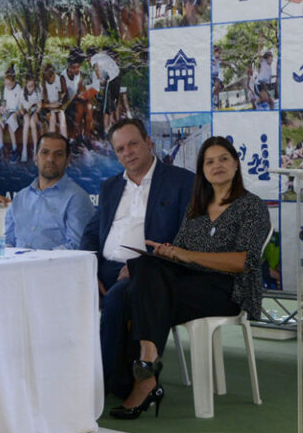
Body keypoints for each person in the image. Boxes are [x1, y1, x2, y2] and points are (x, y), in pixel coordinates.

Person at [109, 136, 270, 418]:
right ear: (202, 170)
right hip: (188, 287)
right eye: (209, 162)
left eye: (223, 159)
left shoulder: (251, 207)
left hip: (227, 291)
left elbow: (243, 261)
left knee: (140, 292)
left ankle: (142, 378)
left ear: (236, 164)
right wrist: (169, 253)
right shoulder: (196, 208)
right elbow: (180, 255)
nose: (216, 165)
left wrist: (186, 256)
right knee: (145, 268)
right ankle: (146, 361)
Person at [80, 119, 194, 391]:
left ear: (148, 142)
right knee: (60, 289)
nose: (127, 153)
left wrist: (143, 265)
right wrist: (86, 270)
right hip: (107, 266)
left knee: (119, 297)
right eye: (120, 149)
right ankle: (64, 375)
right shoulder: (110, 187)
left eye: (133, 144)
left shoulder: (180, 182)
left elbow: (187, 235)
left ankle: (109, 383)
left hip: (153, 269)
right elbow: (91, 233)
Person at [4, 133, 95, 250]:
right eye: (45, 152)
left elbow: (75, 247)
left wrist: (36, 261)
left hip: (54, 266)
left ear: (67, 161)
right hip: (16, 265)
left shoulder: (77, 198)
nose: (51, 159)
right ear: (36, 158)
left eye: (59, 154)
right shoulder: (20, 197)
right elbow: (7, 241)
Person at [18, 71, 41, 163]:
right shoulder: (22, 92)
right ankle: (24, 149)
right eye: (29, 86)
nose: (31, 88)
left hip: (35, 112)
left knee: (32, 123)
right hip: (26, 112)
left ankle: (35, 148)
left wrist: (36, 112)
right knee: (27, 122)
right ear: (26, 85)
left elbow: (40, 105)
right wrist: (24, 113)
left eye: (33, 86)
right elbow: (20, 107)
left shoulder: (37, 90)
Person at [40, 63, 67, 139]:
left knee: (62, 116)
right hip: (48, 108)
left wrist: (61, 96)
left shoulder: (58, 79)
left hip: (57, 107)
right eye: (53, 77)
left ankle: (65, 141)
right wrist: (51, 105)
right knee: (52, 118)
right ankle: (52, 141)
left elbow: (60, 93)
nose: (55, 77)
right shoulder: (42, 85)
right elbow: (41, 104)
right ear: (48, 78)